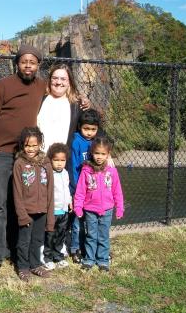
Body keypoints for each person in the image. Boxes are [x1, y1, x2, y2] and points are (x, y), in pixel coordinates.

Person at [0, 45, 46, 276]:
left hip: (26, 156)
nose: (28, 65)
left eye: (32, 62)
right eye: (24, 61)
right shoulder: (3, 86)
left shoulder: (42, 86)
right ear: (17, 64)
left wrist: (84, 102)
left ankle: (16, 250)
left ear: (38, 65)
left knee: (21, 205)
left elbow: (63, 93)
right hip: (2, 155)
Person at [73, 136, 124, 271]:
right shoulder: (86, 170)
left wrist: (120, 207)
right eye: (97, 153)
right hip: (90, 209)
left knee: (103, 236)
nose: (99, 157)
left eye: (103, 154)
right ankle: (89, 259)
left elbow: (117, 190)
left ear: (108, 155)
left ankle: (102, 260)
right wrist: (78, 206)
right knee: (91, 235)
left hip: (107, 209)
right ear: (91, 153)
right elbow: (80, 191)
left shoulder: (112, 171)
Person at [12, 127, 54, 282]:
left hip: (42, 211)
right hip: (26, 212)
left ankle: (35, 264)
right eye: (27, 145)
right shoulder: (19, 164)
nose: (31, 148)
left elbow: (50, 191)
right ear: (23, 145)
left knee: (37, 240)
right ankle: (23, 267)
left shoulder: (46, 163)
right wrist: (22, 215)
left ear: (40, 144)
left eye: (34, 145)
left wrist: (50, 217)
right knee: (24, 241)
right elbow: (17, 191)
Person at [69, 109, 101, 263]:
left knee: (92, 222)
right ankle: (75, 248)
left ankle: (92, 248)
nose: (89, 132)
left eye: (93, 129)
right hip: (79, 189)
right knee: (77, 221)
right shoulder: (76, 142)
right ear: (80, 127)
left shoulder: (96, 143)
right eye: (86, 129)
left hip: (93, 189)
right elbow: (74, 166)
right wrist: (75, 190)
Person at [37, 63, 90, 152]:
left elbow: (92, 125)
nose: (58, 82)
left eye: (63, 79)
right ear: (50, 80)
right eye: (55, 78)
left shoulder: (77, 105)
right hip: (39, 157)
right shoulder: (39, 100)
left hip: (63, 160)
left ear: (69, 82)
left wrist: (106, 151)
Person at [43, 142, 72, 270]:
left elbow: (67, 189)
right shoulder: (48, 174)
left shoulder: (65, 173)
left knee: (61, 234)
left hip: (64, 210)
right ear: (50, 160)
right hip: (52, 211)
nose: (59, 163)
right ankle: (47, 257)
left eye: (63, 160)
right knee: (50, 234)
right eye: (56, 160)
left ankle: (58, 256)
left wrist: (70, 201)